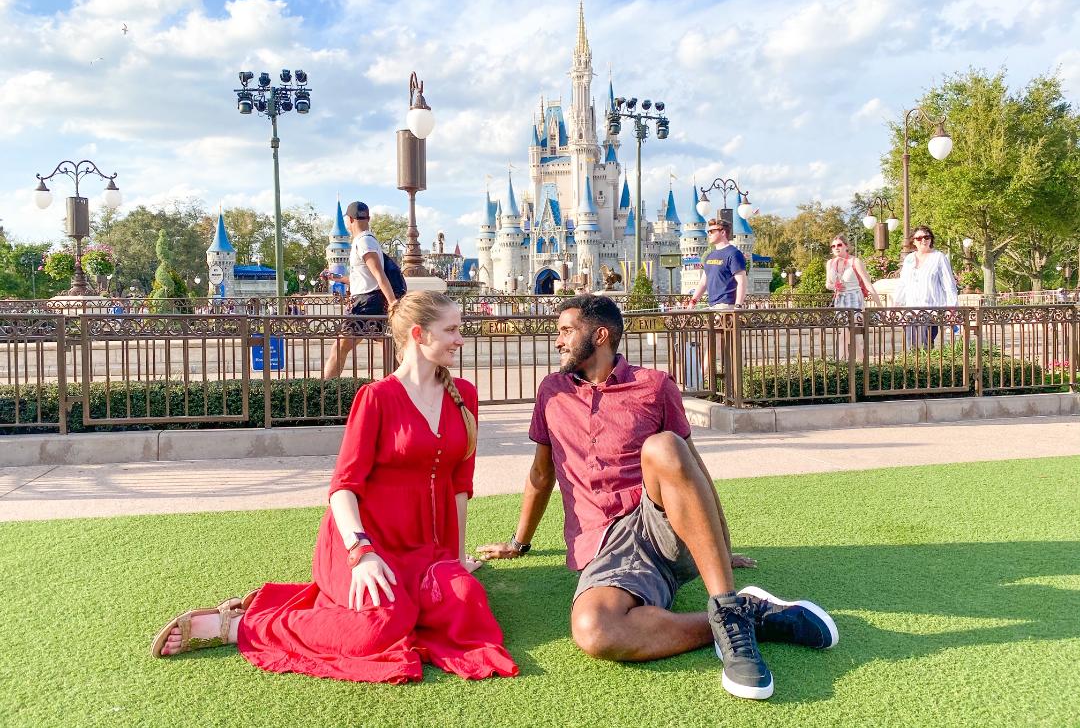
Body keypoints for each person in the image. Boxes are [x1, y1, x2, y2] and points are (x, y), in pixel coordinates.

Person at [477, 295, 837, 700]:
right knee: (596, 630)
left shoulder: (654, 385)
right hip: (603, 547)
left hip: (660, 528)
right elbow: (541, 474)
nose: (556, 341)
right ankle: (754, 617)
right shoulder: (552, 392)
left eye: (565, 331)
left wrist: (718, 545)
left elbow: (691, 467)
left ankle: (728, 605)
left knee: (663, 447)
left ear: (599, 335)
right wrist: (517, 542)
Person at [152, 291, 518, 684]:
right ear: (419, 334)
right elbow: (343, 487)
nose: (460, 339)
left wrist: (456, 558)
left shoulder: (464, 396)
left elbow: (459, 484)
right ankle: (238, 627)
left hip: (427, 551)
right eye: (452, 330)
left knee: (467, 603)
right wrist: (361, 554)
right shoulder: (376, 398)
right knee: (381, 625)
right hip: (364, 544)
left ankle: (283, 604)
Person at [323, 201, 398, 379]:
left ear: (349, 220)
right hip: (370, 300)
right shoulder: (366, 240)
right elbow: (364, 278)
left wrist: (394, 303)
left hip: (365, 304)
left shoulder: (364, 241)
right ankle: (403, 386)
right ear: (368, 218)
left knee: (339, 348)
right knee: (386, 346)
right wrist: (336, 278)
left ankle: (324, 394)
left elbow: (379, 275)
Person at [893, 225, 958, 348]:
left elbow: (949, 285)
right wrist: (896, 304)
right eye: (919, 238)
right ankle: (912, 367)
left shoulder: (939, 257)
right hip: (911, 310)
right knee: (911, 347)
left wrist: (952, 308)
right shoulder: (909, 259)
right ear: (913, 241)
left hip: (931, 310)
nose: (923, 240)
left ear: (931, 239)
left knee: (925, 346)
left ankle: (926, 367)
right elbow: (903, 284)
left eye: (926, 237)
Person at [826, 235, 882, 361]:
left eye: (839, 245)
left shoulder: (855, 261)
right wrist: (834, 286)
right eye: (833, 246)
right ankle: (855, 362)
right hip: (840, 300)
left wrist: (880, 307)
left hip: (855, 300)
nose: (836, 248)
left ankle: (844, 363)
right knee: (846, 332)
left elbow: (867, 283)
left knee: (849, 332)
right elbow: (827, 284)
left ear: (846, 246)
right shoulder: (830, 263)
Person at [687, 218, 747, 310]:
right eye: (708, 231)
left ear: (722, 232)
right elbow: (703, 282)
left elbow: (742, 281)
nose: (709, 234)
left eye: (712, 231)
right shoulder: (710, 256)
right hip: (713, 305)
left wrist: (738, 306)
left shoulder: (733, 254)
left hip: (727, 305)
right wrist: (693, 301)